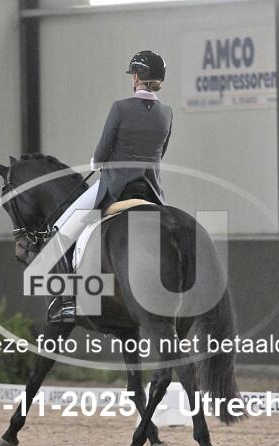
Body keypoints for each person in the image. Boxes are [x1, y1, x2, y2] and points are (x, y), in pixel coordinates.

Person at [48, 50, 174, 323]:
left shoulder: (120, 108)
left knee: (60, 231)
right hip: (152, 192)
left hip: (116, 189)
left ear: (137, 77)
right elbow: (160, 154)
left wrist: (96, 162)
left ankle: (69, 302)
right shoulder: (167, 113)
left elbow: (102, 152)